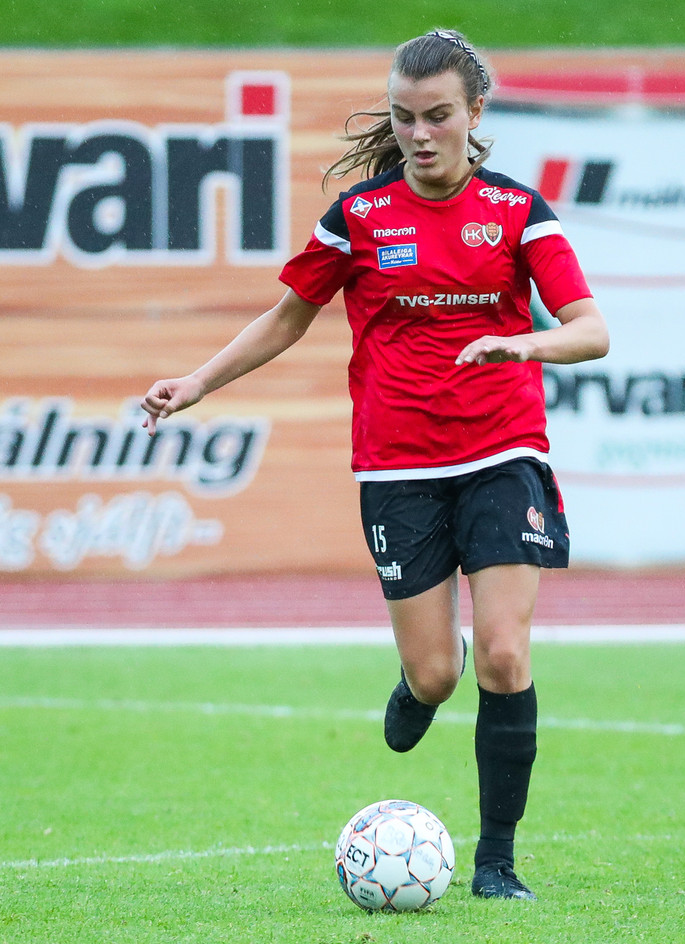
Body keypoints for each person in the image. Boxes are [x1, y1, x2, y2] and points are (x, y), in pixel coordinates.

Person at [140, 28, 609, 901]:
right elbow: (288, 317)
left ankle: (497, 862)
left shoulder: (518, 211)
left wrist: (523, 344)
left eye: (438, 116)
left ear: (475, 112)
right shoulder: (359, 216)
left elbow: (592, 331)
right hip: (398, 465)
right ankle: (424, 682)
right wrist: (198, 381)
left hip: (504, 451)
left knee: (505, 655)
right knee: (438, 671)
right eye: (404, 117)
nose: (420, 134)